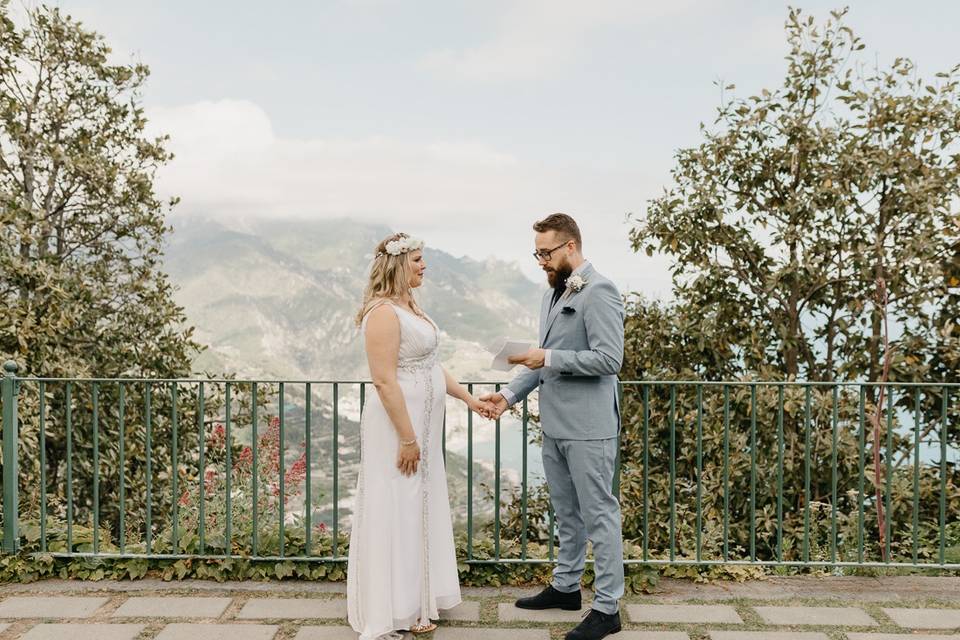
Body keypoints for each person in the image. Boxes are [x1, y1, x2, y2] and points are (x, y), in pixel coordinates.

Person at [482, 213, 626, 640]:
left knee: (600, 515)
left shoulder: (600, 290)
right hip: (556, 425)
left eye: (545, 253)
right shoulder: (550, 295)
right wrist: (506, 397)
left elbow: (608, 360)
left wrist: (546, 358)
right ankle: (566, 587)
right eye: (537, 253)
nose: (540, 261)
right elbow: (542, 357)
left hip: (590, 427)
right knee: (566, 513)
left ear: (570, 247)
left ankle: (607, 607)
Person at [347, 232, 493, 640]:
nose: (424, 265)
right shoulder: (382, 314)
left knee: (418, 505)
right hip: (398, 427)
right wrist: (408, 439)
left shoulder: (409, 305)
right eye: (417, 260)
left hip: (422, 429)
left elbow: (431, 363)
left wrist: (467, 399)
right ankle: (394, 608)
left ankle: (416, 598)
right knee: (397, 504)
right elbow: (383, 381)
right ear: (397, 265)